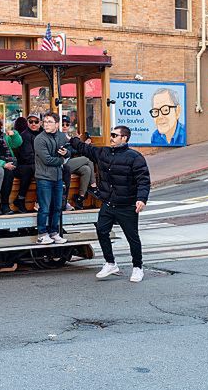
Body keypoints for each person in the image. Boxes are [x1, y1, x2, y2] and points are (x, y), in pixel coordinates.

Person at [68, 125, 151, 283]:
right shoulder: (104, 152)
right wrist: (72, 140)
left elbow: (143, 180)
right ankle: (110, 263)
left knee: (132, 237)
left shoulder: (135, 157)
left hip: (127, 204)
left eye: (115, 135)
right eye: (111, 134)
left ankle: (138, 268)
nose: (111, 137)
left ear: (124, 138)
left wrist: (141, 199)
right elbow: (86, 149)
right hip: (108, 203)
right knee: (101, 230)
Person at [33, 112, 68, 245]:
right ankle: (42, 234)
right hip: (44, 177)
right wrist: (62, 160)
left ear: (56, 124)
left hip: (58, 177)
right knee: (45, 207)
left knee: (57, 207)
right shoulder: (40, 139)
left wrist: (66, 153)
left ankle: (54, 232)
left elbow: (69, 149)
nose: (46, 124)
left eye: (49, 122)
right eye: (45, 122)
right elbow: (46, 159)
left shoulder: (61, 135)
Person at [8, 116, 36, 213]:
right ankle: (23, 199)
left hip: (24, 165)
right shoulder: (25, 136)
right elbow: (27, 157)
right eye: (31, 122)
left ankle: (21, 199)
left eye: (36, 122)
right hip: (18, 165)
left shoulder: (35, 134)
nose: (33, 124)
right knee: (30, 169)